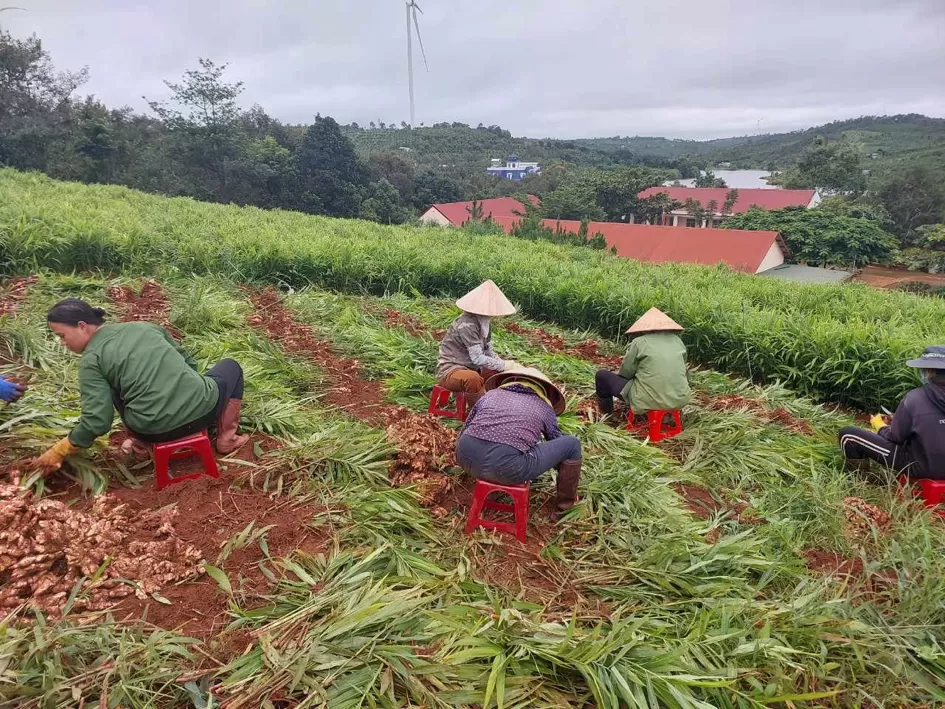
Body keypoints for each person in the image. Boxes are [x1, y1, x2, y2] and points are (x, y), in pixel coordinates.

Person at [31, 298, 250, 472]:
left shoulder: (91, 360)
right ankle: (226, 439)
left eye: (62, 335)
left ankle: (139, 445)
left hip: (152, 433)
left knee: (117, 390)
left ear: (82, 326)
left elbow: (97, 421)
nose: (62, 343)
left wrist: (59, 450)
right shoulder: (146, 327)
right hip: (203, 412)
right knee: (231, 367)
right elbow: (189, 363)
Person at [456, 367, 581, 518]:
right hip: (507, 468)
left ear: (511, 381)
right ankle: (565, 508)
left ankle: (490, 475)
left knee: (507, 449)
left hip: (465, 457)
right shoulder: (544, 407)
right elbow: (555, 440)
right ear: (542, 389)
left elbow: (466, 426)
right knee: (572, 444)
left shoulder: (490, 395)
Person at [838, 346, 945, 481]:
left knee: (848, 435)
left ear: (929, 371)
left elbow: (896, 437)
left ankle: (862, 481)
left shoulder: (914, 398)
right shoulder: (916, 400)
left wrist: (880, 427)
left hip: (923, 468)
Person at [595, 307, 691, 417]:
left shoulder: (640, 342)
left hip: (648, 400)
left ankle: (607, 416)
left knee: (601, 376)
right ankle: (668, 415)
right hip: (680, 399)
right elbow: (684, 371)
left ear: (645, 328)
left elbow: (626, 373)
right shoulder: (677, 341)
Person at [436, 280, 519, 405]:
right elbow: (477, 358)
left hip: (473, 369)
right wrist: (503, 365)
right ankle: (479, 412)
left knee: (499, 375)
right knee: (472, 379)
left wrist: (505, 366)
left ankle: (496, 404)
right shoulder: (467, 324)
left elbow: (489, 351)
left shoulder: (484, 324)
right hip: (451, 370)